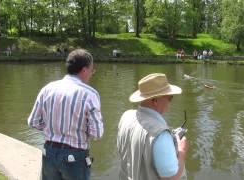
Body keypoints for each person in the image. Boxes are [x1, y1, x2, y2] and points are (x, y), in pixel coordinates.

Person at [27, 49, 104, 180]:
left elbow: (33, 121)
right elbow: (97, 133)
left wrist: (52, 129)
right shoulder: (90, 94)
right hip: (75, 157)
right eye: (92, 70)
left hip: (49, 152)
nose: (92, 74)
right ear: (84, 70)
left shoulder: (47, 88)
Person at [117, 73, 188, 180]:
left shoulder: (126, 116)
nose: (170, 102)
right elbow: (171, 178)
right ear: (155, 100)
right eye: (169, 98)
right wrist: (181, 150)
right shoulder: (160, 134)